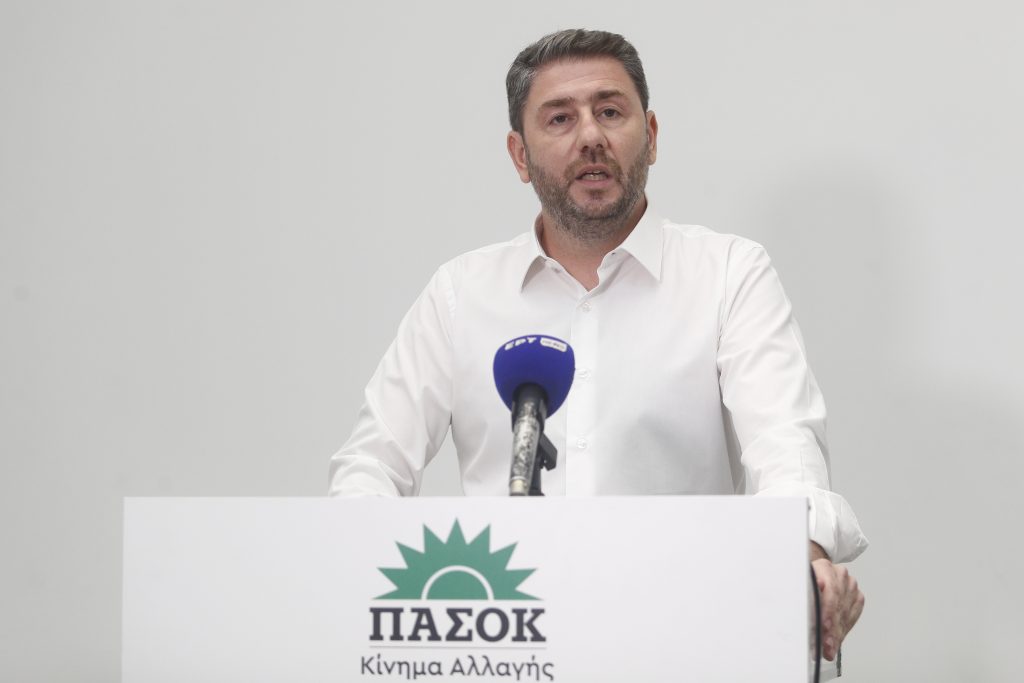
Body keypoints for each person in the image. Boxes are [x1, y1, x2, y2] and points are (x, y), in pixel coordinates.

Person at [329, 28, 866, 661]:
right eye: (559, 118)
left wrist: (802, 554)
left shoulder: (728, 273)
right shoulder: (460, 293)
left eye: (610, 111)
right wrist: (358, 572)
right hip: (506, 643)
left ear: (652, 135)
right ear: (520, 155)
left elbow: (783, 441)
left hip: (683, 638)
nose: (590, 136)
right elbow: (372, 465)